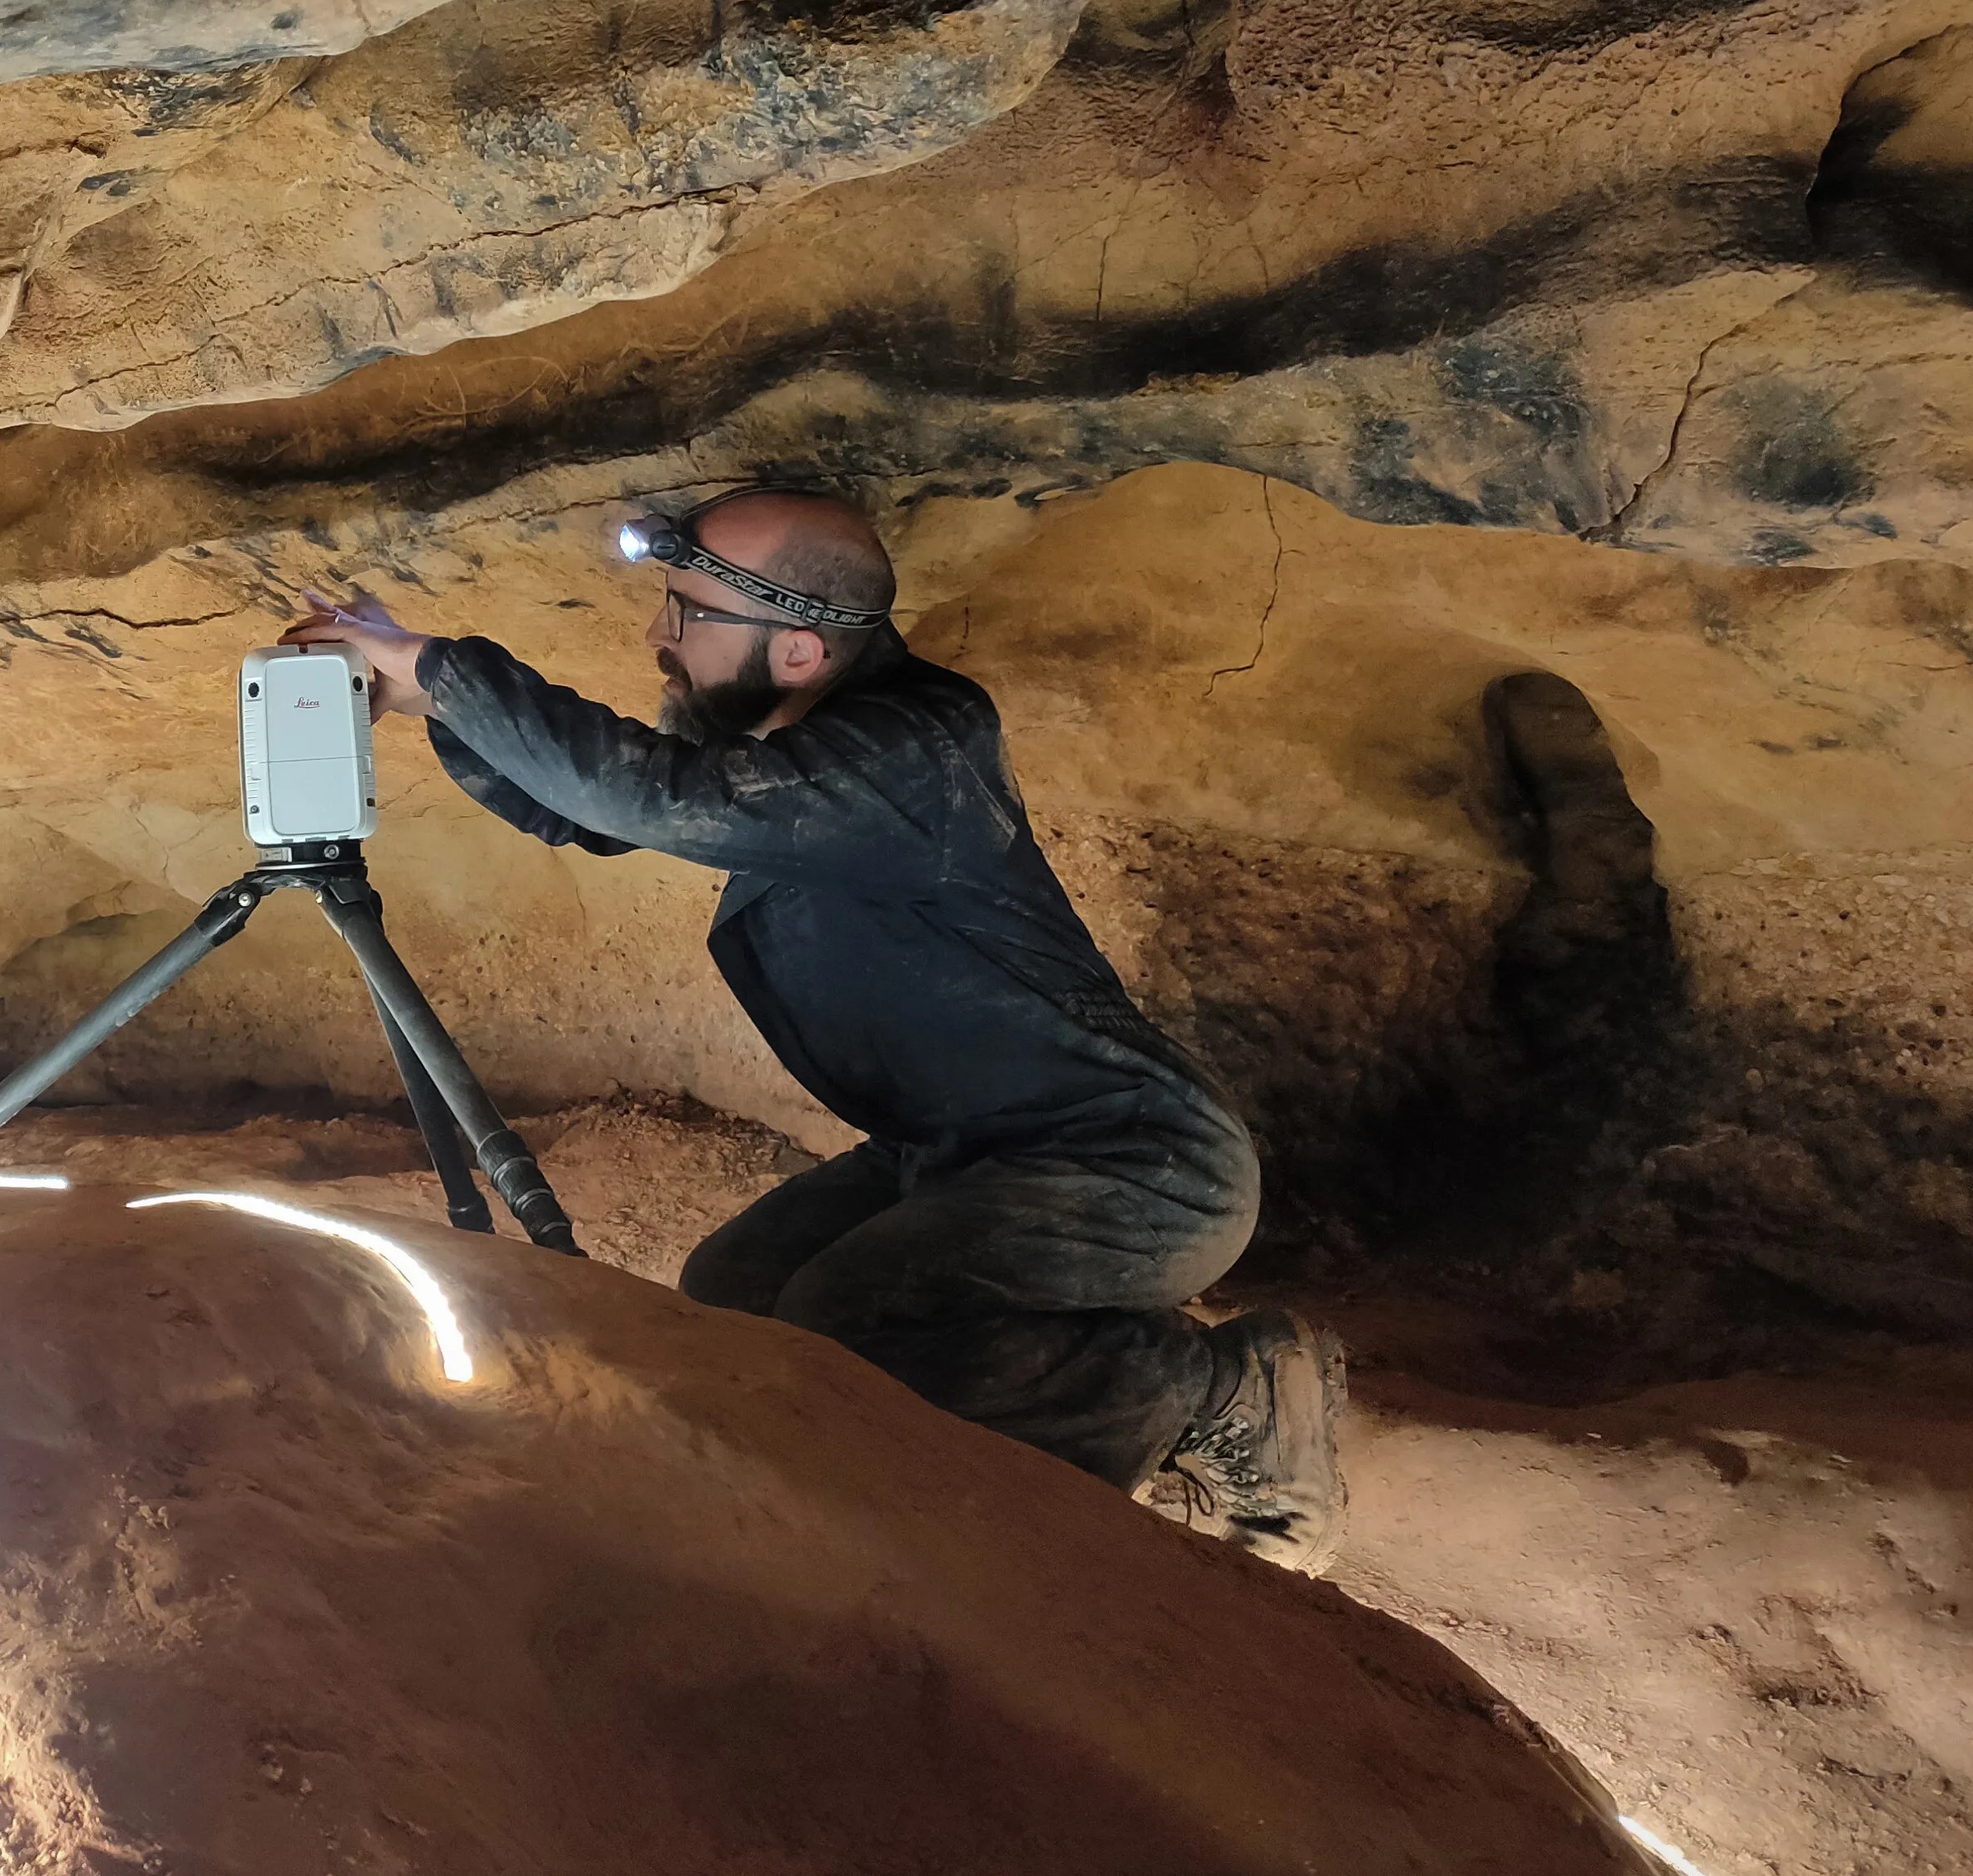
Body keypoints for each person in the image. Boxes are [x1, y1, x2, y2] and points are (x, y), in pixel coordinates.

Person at [287, 486, 1345, 1569]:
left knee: (856, 1312)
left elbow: (651, 795)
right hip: (960, 1156)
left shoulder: (915, 746)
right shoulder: (801, 759)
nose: (659, 635)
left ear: (797, 650)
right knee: (737, 1298)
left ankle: (1220, 1393)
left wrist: (444, 668)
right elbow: (584, 810)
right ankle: (1095, 1411)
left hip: (1134, 1158)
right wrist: (433, 710)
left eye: (686, 613)